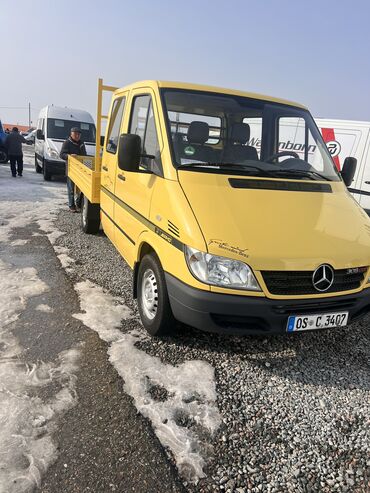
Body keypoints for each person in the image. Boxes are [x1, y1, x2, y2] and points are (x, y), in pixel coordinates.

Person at [60, 127, 86, 212]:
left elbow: (84, 155)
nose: (77, 136)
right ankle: (71, 205)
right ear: (71, 134)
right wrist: (69, 156)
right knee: (71, 189)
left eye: (79, 134)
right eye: (75, 134)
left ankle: (78, 204)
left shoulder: (82, 143)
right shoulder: (67, 143)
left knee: (81, 189)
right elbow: (62, 155)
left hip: (80, 170)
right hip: (71, 170)